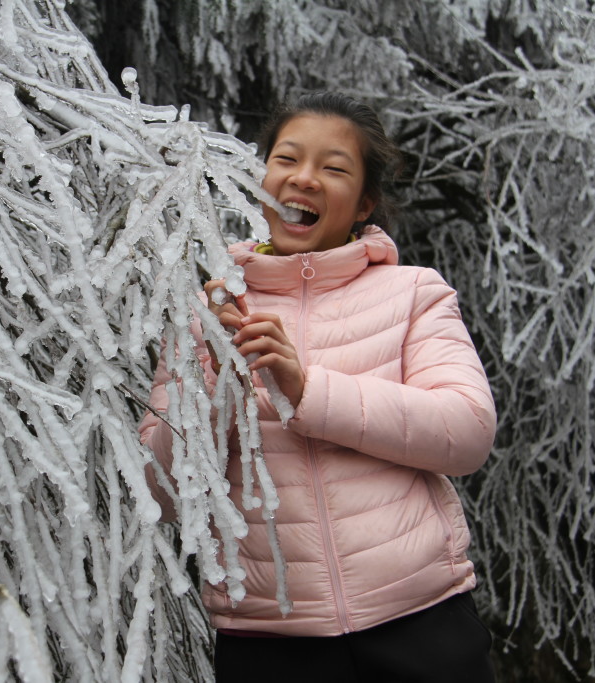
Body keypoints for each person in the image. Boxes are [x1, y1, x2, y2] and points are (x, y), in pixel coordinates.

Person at [137, 92, 498, 682]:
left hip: (421, 624)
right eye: (287, 159)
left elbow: (466, 432)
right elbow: (161, 491)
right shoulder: (209, 308)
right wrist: (218, 391)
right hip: (269, 642)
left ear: (364, 203)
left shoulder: (411, 293)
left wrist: (306, 390)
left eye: (333, 168)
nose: (302, 178)